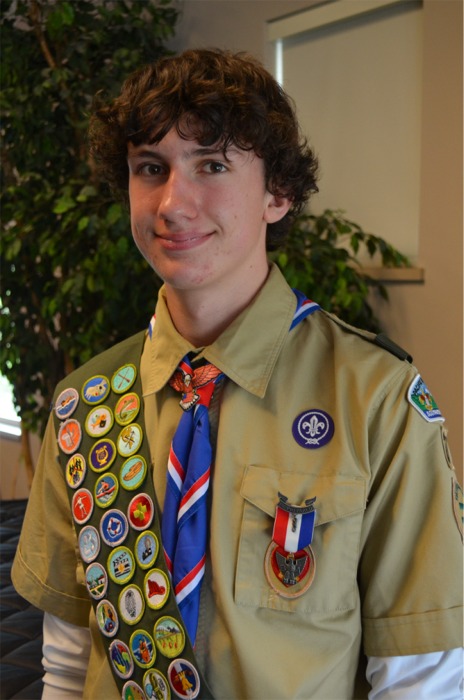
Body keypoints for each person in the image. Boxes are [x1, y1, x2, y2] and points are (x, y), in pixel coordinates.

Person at [12, 48, 463, 700]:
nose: (172, 202)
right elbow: (66, 660)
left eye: (213, 164)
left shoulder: (377, 399)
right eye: (149, 168)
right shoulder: (85, 403)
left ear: (277, 193)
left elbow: (421, 678)